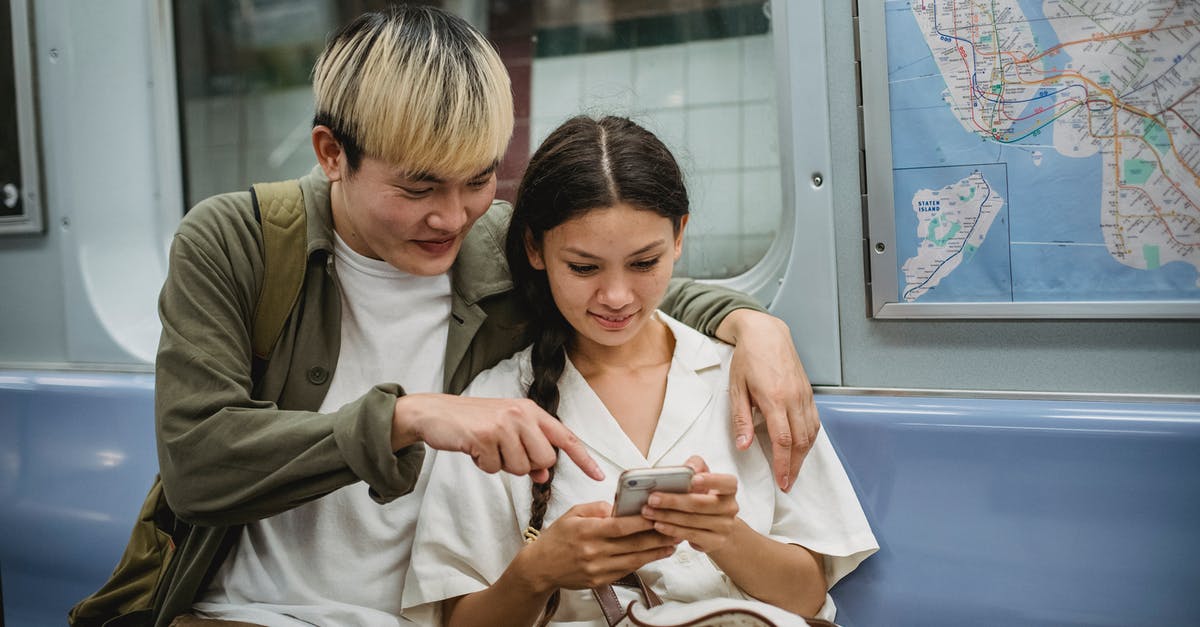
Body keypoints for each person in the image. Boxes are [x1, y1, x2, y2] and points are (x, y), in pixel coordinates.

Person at [145, 7, 822, 627]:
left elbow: (620, 282)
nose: (451, 216)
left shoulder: (495, 246)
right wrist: (408, 417)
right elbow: (197, 465)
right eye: (418, 187)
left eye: (477, 179)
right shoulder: (237, 242)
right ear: (331, 154)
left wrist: (751, 323)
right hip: (244, 612)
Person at [402, 116, 878, 627]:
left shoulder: (745, 377)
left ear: (679, 237)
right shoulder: (495, 406)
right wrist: (538, 572)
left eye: (644, 262)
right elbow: (458, 621)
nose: (617, 297)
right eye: (584, 268)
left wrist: (725, 535)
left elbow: (807, 597)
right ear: (535, 250)